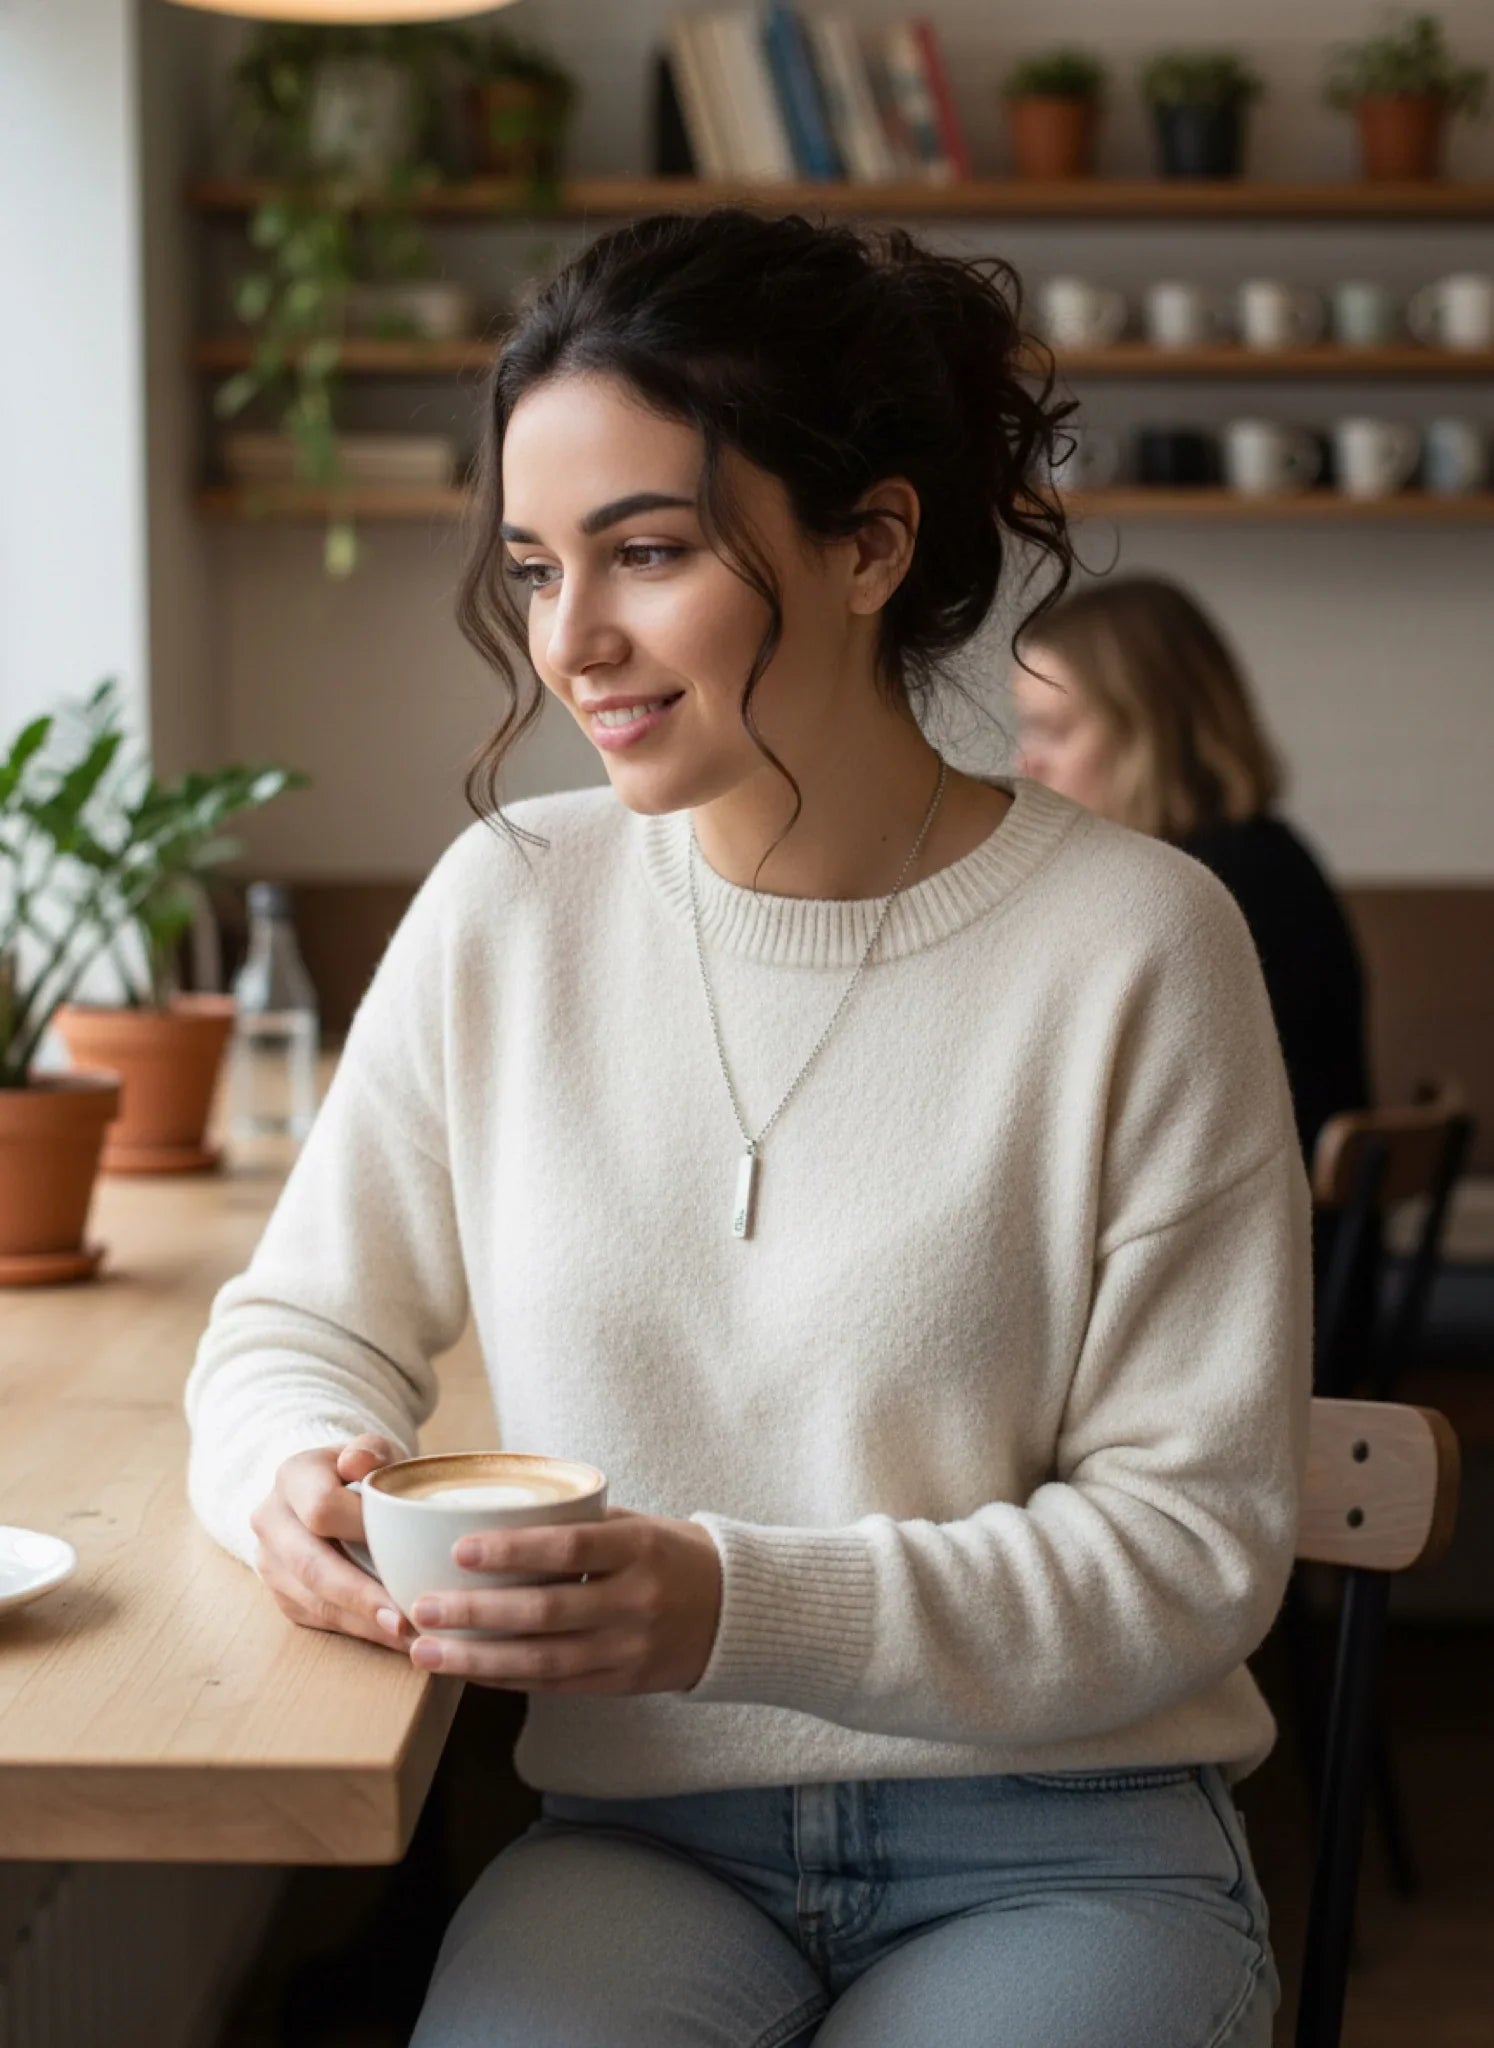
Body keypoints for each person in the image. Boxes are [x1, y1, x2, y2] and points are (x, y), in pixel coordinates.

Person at [185, 211, 1311, 2047]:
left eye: (644, 552)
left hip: (1064, 1840)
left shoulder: (1139, 944)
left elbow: (1187, 1548)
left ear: (869, 542)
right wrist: (290, 1476)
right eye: (537, 567)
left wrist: (727, 1604)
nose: (574, 640)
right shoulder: (505, 905)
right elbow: (295, 1327)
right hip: (639, 1835)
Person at [1008, 575, 1376, 1391]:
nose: (1024, 761)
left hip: (1241, 1332)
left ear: (1153, 730)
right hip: (1266, 1299)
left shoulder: (1205, 897)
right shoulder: (1267, 859)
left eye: (1053, 729)